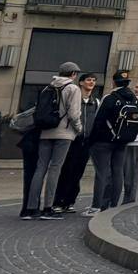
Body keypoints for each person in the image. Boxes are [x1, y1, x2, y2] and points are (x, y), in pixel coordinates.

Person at [26, 61, 84, 218]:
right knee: (55, 168)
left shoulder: (48, 87)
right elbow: (74, 114)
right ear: (73, 74)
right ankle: (48, 207)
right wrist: (79, 129)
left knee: (40, 168)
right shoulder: (73, 88)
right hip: (64, 133)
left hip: (45, 131)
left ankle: (31, 207)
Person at [89, 73, 138, 214]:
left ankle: (97, 205)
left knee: (102, 173)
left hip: (104, 140)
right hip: (123, 140)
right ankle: (113, 204)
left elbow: (99, 120)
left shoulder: (110, 98)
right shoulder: (134, 99)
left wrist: (91, 140)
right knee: (117, 172)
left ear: (114, 82)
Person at [53, 73, 101, 212]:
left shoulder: (95, 102)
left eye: (93, 80)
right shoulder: (75, 98)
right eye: (88, 80)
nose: (91, 82)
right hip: (72, 139)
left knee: (78, 172)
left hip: (86, 142)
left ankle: (70, 201)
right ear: (80, 83)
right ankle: (58, 201)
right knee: (66, 170)